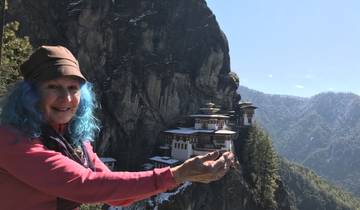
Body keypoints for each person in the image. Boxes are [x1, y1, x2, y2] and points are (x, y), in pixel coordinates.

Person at [0, 45, 235, 210]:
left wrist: (178, 177)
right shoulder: (11, 141)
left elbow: (115, 195)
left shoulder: (75, 141)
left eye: (73, 88)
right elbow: (86, 186)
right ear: (30, 94)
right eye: (53, 86)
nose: (66, 98)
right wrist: (175, 174)